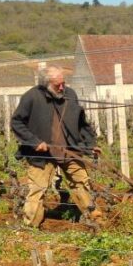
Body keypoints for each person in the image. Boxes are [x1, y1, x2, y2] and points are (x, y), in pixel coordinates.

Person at [11, 65, 101, 227]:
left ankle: (95, 219)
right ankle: (30, 226)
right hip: (42, 154)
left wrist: (90, 145)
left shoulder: (70, 94)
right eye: (57, 85)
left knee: (82, 183)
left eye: (63, 83)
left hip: (70, 150)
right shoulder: (31, 97)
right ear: (45, 84)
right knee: (38, 189)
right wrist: (35, 142)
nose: (62, 87)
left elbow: (81, 123)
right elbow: (17, 122)